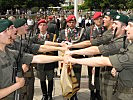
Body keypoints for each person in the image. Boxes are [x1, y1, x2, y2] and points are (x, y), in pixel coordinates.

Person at [64, 16, 133, 100]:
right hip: (111, 80)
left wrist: (74, 58)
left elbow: (101, 56)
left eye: (130, 25)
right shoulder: (119, 39)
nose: (127, 28)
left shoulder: (121, 42)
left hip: (121, 88)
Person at [0, 19, 64, 100]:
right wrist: (18, 84)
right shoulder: (12, 47)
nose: (14, 30)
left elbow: (36, 56)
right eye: (9, 29)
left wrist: (62, 56)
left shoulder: (10, 52)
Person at [58, 14, 87, 100]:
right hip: (66, 59)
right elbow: (59, 41)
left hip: (76, 57)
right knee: (67, 77)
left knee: (77, 77)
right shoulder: (63, 32)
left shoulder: (80, 31)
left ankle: (75, 94)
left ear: (75, 22)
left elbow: (83, 42)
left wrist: (73, 46)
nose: (71, 24)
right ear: (67, 23)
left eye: (73, 22)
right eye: (70, 22)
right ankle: (68, 94)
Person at [30, 19, 56, 100]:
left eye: (44, 25)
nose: (42, 27)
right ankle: (44, 95)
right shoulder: (34, 38)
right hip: (40, 62)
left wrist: (56, 64)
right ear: (38, 27)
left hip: (50, 62)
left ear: (47, 26)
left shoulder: (52, 36)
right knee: (42, 79)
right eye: (40, 25)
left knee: (50, 79)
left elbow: (55, 51)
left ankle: (50, 95)